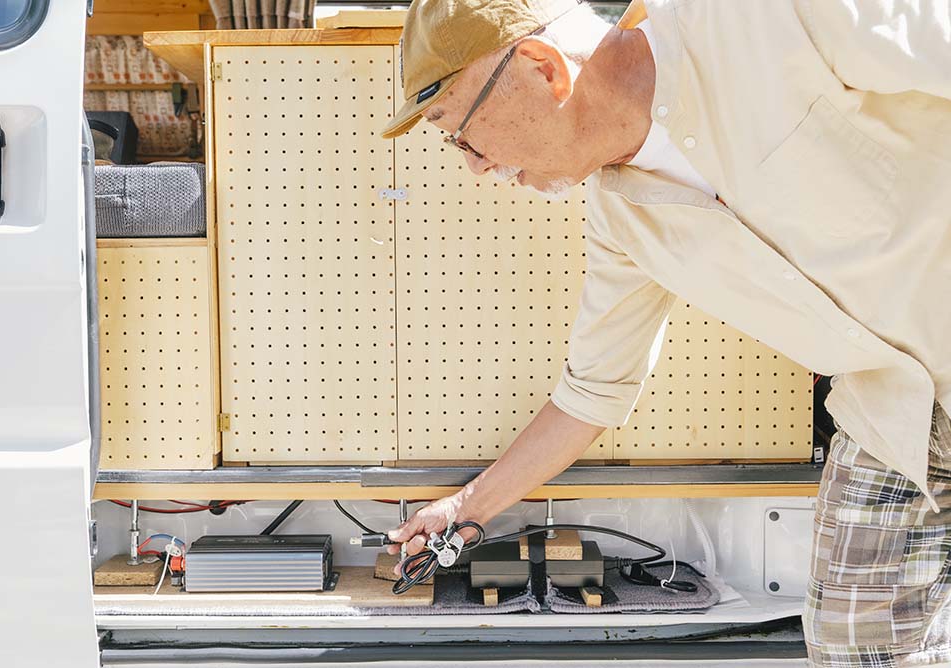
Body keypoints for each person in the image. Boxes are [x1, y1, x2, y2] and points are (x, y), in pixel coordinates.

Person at [378, 0, 951, 664]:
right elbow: (591, 391)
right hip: (895, 417)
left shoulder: (758, 17)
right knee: (857, 646)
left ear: (539, 67)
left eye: (460, 132)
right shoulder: (621, 219)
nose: (474, 166)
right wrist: (467, 508)